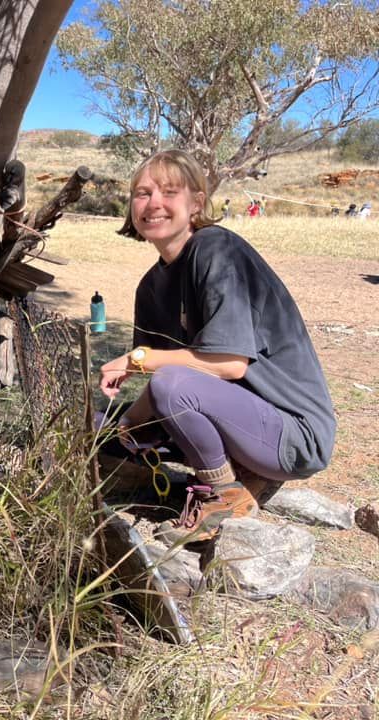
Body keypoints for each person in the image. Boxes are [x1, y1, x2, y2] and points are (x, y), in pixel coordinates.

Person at [100, 150, 335, 545]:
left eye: (169, 191)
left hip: (292, 435)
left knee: (172, 385)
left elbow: (228, 364)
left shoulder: (215, 250)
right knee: (105, 418)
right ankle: (223, 472)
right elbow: (155, 389)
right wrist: (122, 428)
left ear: (196, 202)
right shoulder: (150, 287)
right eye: (142, 193)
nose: (153, 203)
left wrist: (139, 359)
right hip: (236, 417)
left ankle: (225, 495)